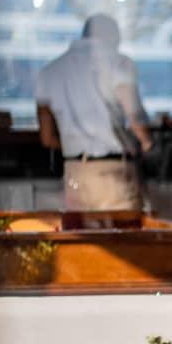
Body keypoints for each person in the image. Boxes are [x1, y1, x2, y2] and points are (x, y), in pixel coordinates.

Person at [35, 13, 154, 213]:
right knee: (126, 239)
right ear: (113, 37)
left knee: (82, 239)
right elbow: (135, 119)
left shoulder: (49, 71)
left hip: (75, 171)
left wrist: (79, 143)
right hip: (114, 171)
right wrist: (147, 144)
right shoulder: (119, 63)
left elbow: (47, 138)